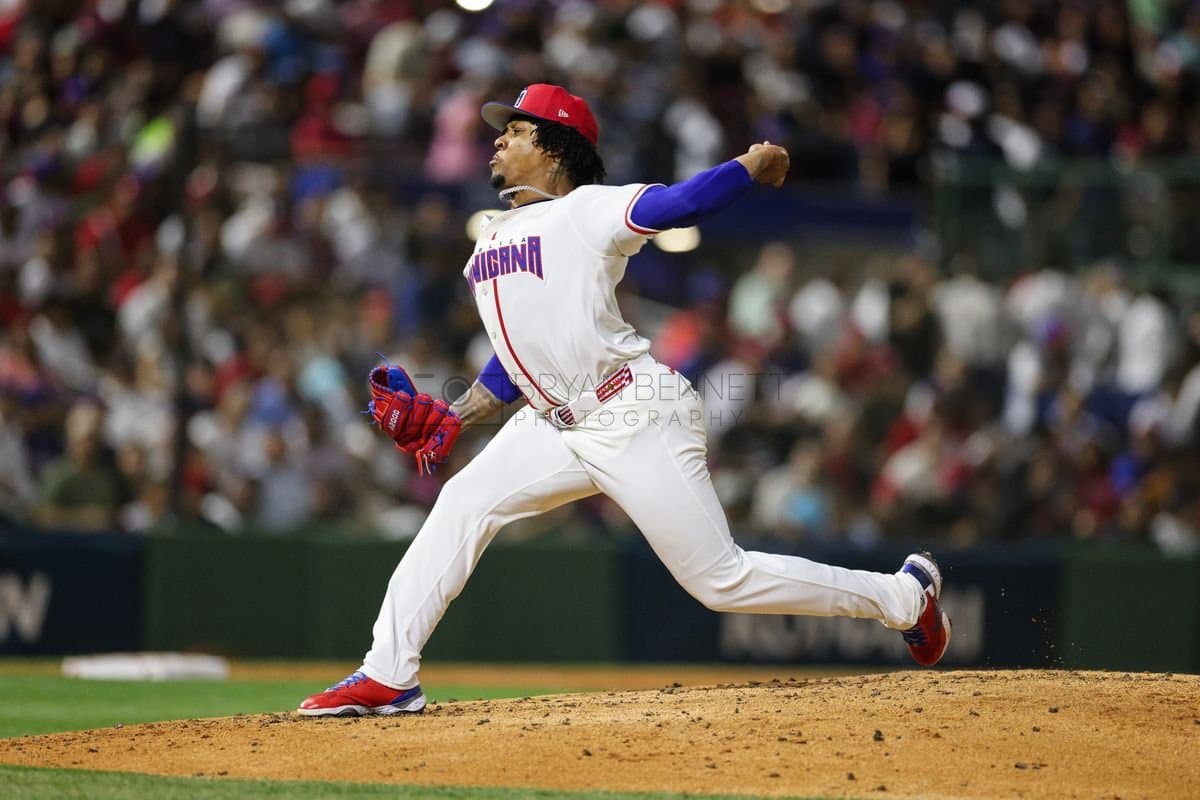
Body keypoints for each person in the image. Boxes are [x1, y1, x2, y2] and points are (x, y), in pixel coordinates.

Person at [299, 84, 950, 717]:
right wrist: (459, 413)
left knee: (720, 580)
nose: (500, 139)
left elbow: (672, 206)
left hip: (631, 410)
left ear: (555, 151)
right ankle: (388, 673)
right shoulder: (492, 237)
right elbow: (516, 353)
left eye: (519, 130)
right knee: (463, 502)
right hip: (555, 425)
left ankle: (903, 594)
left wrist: (745, 168)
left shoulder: (586, 211)